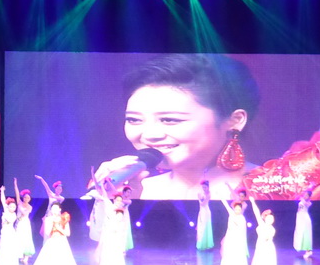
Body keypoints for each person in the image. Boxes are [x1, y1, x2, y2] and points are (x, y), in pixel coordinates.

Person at [94, 54, 261, 200]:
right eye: (134, 120)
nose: (150, 135)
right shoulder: (134, 192)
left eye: (169, 120)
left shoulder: (272, 189)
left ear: (235, 120)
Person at [18, 204, 95, 265]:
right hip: (52, 242)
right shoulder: (49, 219)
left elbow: (68, 233)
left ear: (59, 209)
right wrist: (52, 224)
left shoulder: (64, 218)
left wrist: (58, 227)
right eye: (52, 208)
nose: (54, 210)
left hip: (62, 243)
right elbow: (46, 233)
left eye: (56, 208)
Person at [96, 190, 129, 265]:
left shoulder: (121, 213)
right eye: (117, 200)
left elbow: (123, 233)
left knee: (118, 261)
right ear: (114, 200)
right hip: (110, 240)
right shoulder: (110, 209)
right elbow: (105, 199)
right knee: (109, 260)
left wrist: (123, 247)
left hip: (118, 241)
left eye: (120, 200)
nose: (119, 202)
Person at [248, 196, 279, 265]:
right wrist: (252, 202)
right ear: (264, 218)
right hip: (260, 250)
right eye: (268, 217)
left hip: (268, 250)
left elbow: (267, 239)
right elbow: (256, 212)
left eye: (272, 218)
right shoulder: (261, 224)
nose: (271, 219)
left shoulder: (272, 229)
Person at [218, 190, 250, 265]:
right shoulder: (231, 214)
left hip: (238, 240)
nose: (237, 211)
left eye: (239, 210)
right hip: (230, 239)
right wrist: (220, 195)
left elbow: (243, 231)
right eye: (236, 209)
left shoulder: (242, 219)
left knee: (237, 256)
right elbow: (226, 205)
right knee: (230, 256)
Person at [0, 186, 19, 265]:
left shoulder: (13, 215)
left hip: (10, 233)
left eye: (14, 207)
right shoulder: (6, 210)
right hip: (4, 233)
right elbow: (3, 200)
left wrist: (6, 214)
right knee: (4, 250)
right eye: (11, 206)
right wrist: (2, 191)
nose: (13, 208)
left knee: (10, 251)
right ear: (8, 206)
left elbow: (10, 221)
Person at [14, 179, 36, 265]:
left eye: (28, 197)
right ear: (23, 197)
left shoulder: (30, 207)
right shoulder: (19, 202)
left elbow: (24, 213)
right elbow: (17, 193)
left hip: (25, 223)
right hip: (19, 223)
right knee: (19, 238)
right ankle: (21, 255)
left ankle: (26, 256)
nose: (26, 198)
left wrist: (21, 209)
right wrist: (15, 184)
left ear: (30, 199)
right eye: (25, 197)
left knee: (26, 239)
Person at [292, 184, 314, 260]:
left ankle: (309, 251)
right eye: (305, 195)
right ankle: (305, 249)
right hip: (300, 218)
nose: (305, 196)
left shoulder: (308, 203)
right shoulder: (302, 200)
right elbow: (297, 197)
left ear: (309, 196)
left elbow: (304, 202)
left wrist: (310, 188)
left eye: (307, 195)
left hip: (305, 219)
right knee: (300, 233)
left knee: (306, 234)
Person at [196, 180, 214, 251]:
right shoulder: (200, 193)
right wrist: (199, 198)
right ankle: (201, 244)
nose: (204, 188)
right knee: (200, 228)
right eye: (203, 187)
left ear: (208, 187)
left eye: (205, 187)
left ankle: (207, 244)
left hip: (206, 212)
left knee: (205, 228)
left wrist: (200, 199)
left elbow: (203, 204)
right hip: (201, 212)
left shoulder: (209, 194)